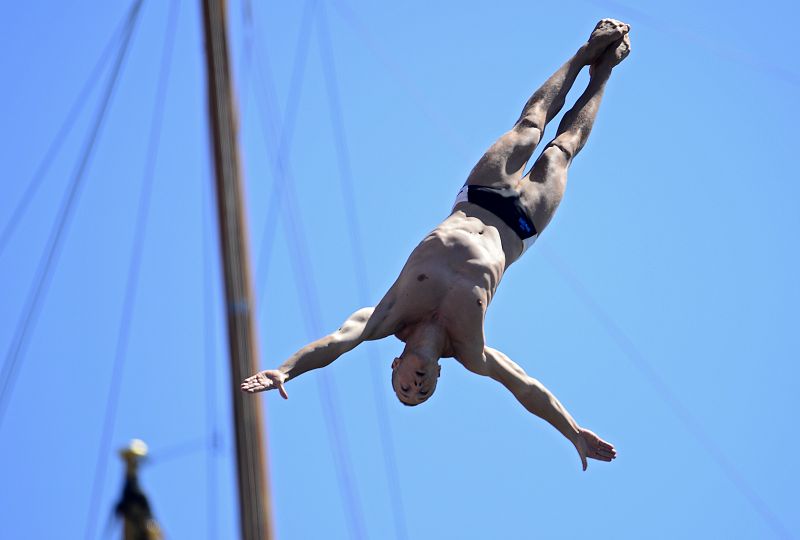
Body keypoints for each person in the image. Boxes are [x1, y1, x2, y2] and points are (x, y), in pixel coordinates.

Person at [242, 19, 631, 470]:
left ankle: (585, 53)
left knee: (529, 126)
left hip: (479, 196)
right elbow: (526, 388)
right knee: (562, 150)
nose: (417, 388)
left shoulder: (384, 320)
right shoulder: (471, 351)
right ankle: (605, 73)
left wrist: (285, 370)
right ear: (439, 376)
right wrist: (572, 431)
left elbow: (333, 345)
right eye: (424, 393)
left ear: (395, 366)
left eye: (406, 388)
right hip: (522, 226)